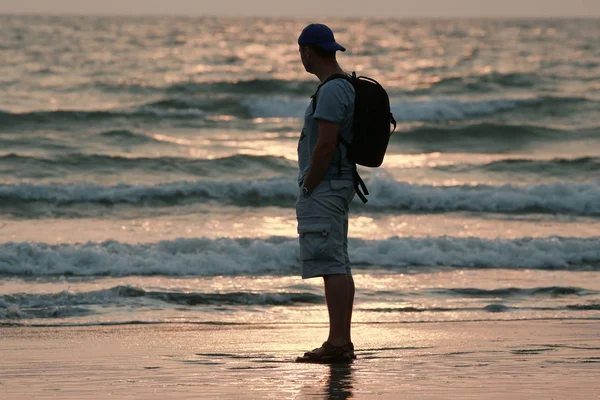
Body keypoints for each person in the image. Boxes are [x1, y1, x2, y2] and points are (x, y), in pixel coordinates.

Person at [295, 23, 356, 363]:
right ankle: (340, 341)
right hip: (336, 183)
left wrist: (309, 184)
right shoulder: (341, 86)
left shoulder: (332, 90)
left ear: (306, 52)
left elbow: (325, 144)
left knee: (332, 263)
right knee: (337, 262)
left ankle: (337, 343)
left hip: (327, 185)